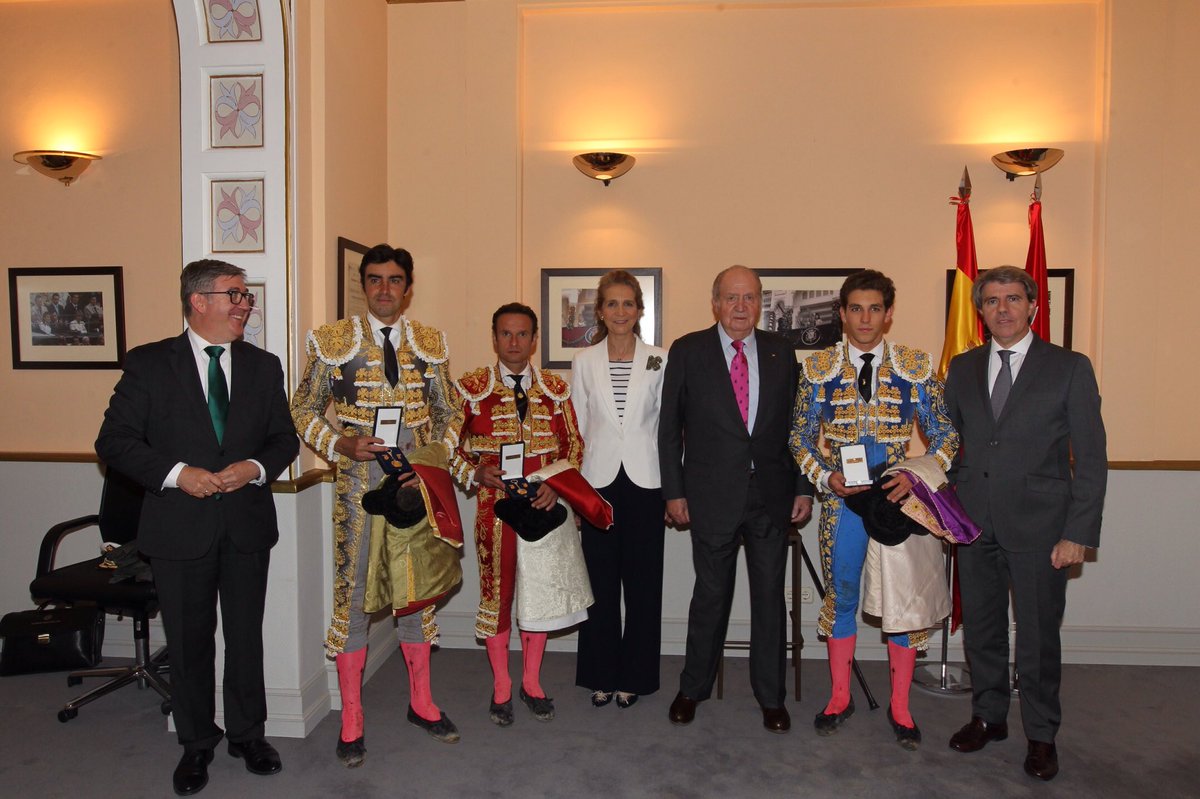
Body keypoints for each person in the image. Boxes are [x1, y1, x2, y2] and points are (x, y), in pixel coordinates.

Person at [95, 259, 298, 797]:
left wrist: (253, 469)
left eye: (247, 296)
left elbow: (284, 440)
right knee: (188, 643)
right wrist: (177, 474)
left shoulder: (263, 365)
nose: (244, 305)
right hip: (177, 527)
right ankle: (196, 744)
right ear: (198, 300)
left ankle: (248, 736)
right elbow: (114, 442)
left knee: (246, 637)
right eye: (235, 295)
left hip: (245, 525)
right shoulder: (149, 364)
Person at [289, 244, 463, 764]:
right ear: (363, 286)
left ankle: (422, 703)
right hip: (359, 486)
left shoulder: (430, 343)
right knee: (356, 595)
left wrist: (431, 459)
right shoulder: (332, 341)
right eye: (374, 279)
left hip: (414, 484)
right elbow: (302, 406)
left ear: (408, 287)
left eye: (394, 280)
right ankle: (351, 717)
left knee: (416, 593)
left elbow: (450, 411)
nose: (384, 289)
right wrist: (339, 444)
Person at [944, 265, 1107, 781]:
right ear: (981, 311)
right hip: (973, 524)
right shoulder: (963, 367)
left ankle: (1041, 734)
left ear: (1033, 306)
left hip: (1042, 528)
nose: (1004, 309)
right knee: (984, 631)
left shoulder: (1069, 367)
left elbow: (1093, 457)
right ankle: (988, 716)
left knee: (1037, 637)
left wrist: (1078, 532)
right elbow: (951, 446)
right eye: (992, 301)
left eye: (1013, 299)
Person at [788, 269, 959, 749]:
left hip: (899, 502)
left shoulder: (916, 365)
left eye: (875, 308)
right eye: (856, 308)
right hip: (844, 503)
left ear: (888, 313)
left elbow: (946, 435)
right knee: (841, 595)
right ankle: (839, 697)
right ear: (841, 314)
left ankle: (901, 707)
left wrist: (916, 475)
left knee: (902, 606)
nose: (866, 318)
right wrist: (825, 476)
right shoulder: (817, 368)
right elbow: (799, 437)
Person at [660, 265, 814, 733]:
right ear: (716, 303)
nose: (741, 307)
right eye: (732, 298)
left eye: (749, 298)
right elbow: (669, 429)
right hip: (710, 496)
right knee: (710, 596)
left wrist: (803, 487)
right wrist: (674, 492)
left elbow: (798, 427)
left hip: (771, 496)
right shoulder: (688, 351)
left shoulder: (781, 351)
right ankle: (693, 688)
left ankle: (772, 697)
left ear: (760, 303)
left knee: (769, 598)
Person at [444, 303, 589, 726]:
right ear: (494, 338)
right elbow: (446, 445)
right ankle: (502, 684)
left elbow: (574, 447)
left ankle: (532, 682)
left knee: (539, 593)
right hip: (495, 510)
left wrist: (555, 484)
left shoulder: (555, 389)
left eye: (522, 334)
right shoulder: (471, 387)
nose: (514, 342)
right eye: (505, 334)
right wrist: (474, 471)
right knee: (498, 595)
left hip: (544, 505)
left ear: (534, 338)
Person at [571, 270, 668, 710]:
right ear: (600, 311)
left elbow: (670, 430)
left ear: (640, 310)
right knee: (601, 585)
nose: (621, 312)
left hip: (647, 484)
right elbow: (575, 429)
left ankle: (636, 676)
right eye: (612, 303)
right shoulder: (584, 361)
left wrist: (675, 487)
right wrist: (573, 491)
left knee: (644, 586)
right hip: (598, 484)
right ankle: (601, 674)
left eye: (629, 303)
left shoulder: (661, 359)